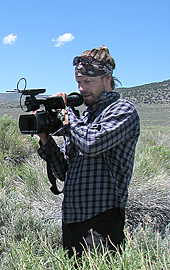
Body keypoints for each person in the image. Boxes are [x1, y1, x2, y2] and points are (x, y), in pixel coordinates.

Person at [37, 46, 140, 258]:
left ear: (107, 78)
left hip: (102, 218)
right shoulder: (84, 119)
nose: (82, 89)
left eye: (87, 82)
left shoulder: (123, 111)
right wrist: (45, 139)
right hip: (72, 220)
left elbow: (91, 143)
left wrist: (67, 115)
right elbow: (64, 172)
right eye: (79, 83)